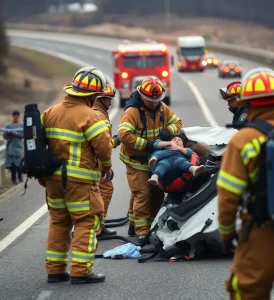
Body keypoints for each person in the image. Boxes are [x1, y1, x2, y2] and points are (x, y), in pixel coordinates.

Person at [217, 67, 274, 299]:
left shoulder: (244, 139)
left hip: (260, 233)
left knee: (247, 291)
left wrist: (226, 233)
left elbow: (228, 195)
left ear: (249, 103)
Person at [41, 67, 112, 285]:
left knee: (59, 222)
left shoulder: (50, 112)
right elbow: (103, 148)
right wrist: (107, 167)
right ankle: (80, 271)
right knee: (86, 222)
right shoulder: (90, 116)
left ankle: (55, 270)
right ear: (91, 96)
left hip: (53, 181)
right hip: (80, 183)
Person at [118, 76, 182, 243]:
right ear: (141, 96)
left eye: (156, 100)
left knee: (156, 193)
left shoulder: (162, 108)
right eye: (150, 100)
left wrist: (169, 130)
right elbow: (124, 135)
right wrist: (147, 145)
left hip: (154, 160)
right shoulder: (132, 112)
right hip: (136, 160)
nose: (154, 103)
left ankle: (144, 224)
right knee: (142, 193)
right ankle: (142, 231)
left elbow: (178, 122)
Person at [93, 82, 120, 236]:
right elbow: (102, 145)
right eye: (108, 99)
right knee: (105, 191)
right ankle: (97, 229)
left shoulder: (96, 112)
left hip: (92, 163)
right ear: (100, 98)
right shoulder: (99, 115)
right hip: (96, 164)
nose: (110, 102)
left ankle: (94, 227)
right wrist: (115, 141)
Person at [3, 110, 24, 185]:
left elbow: (23, 136)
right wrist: (8, 133)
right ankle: (13, 179)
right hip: (11, 147)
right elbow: (5, 136)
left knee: (19, 164)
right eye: (15, 116)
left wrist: (16, 133)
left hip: (18, 147)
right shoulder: (8, 125)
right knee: (12, 165)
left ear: (19, 117)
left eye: (17, 116)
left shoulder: (21, 125)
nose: (16, 118)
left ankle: (20, 176)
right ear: (12, 117)